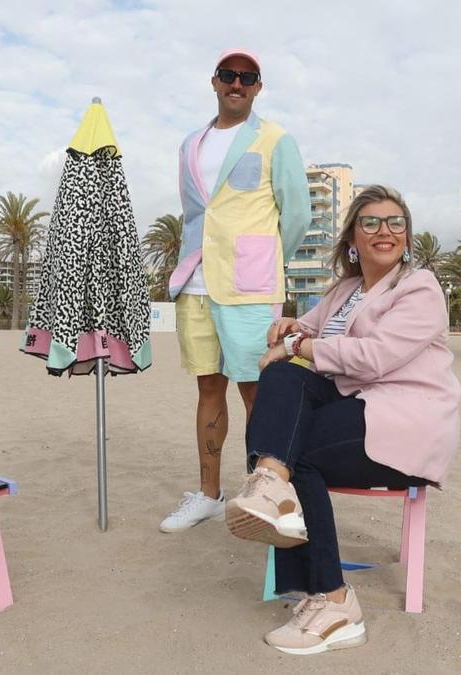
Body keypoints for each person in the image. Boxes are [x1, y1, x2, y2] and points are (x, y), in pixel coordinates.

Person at [225, 185, 461, 654]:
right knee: (279, 378)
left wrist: (296, 347)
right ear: (352, 237)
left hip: (403, 422)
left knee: (302, 452)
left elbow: (374, 357)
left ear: (407, 236)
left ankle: (334, 602)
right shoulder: (346, 290)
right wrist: (289, 330)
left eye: (395, 222)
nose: (385, 230)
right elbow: (309, 330)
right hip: (355, 406)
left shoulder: (419, 286)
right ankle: (271, 486)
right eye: (370, 222)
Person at [158, 48, 310, 533]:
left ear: (258, 87)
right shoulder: (189, 145)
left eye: (247, 77)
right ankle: (207, 493)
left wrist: (263, 262)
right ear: (215, 81)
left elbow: (298, 215)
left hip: (250, 287)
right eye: (229, 75)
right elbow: (194, 210)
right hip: (196, 283)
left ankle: (260, 494)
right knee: (207, 386)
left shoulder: (275, 139)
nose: (237, 83)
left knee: (257, 392)